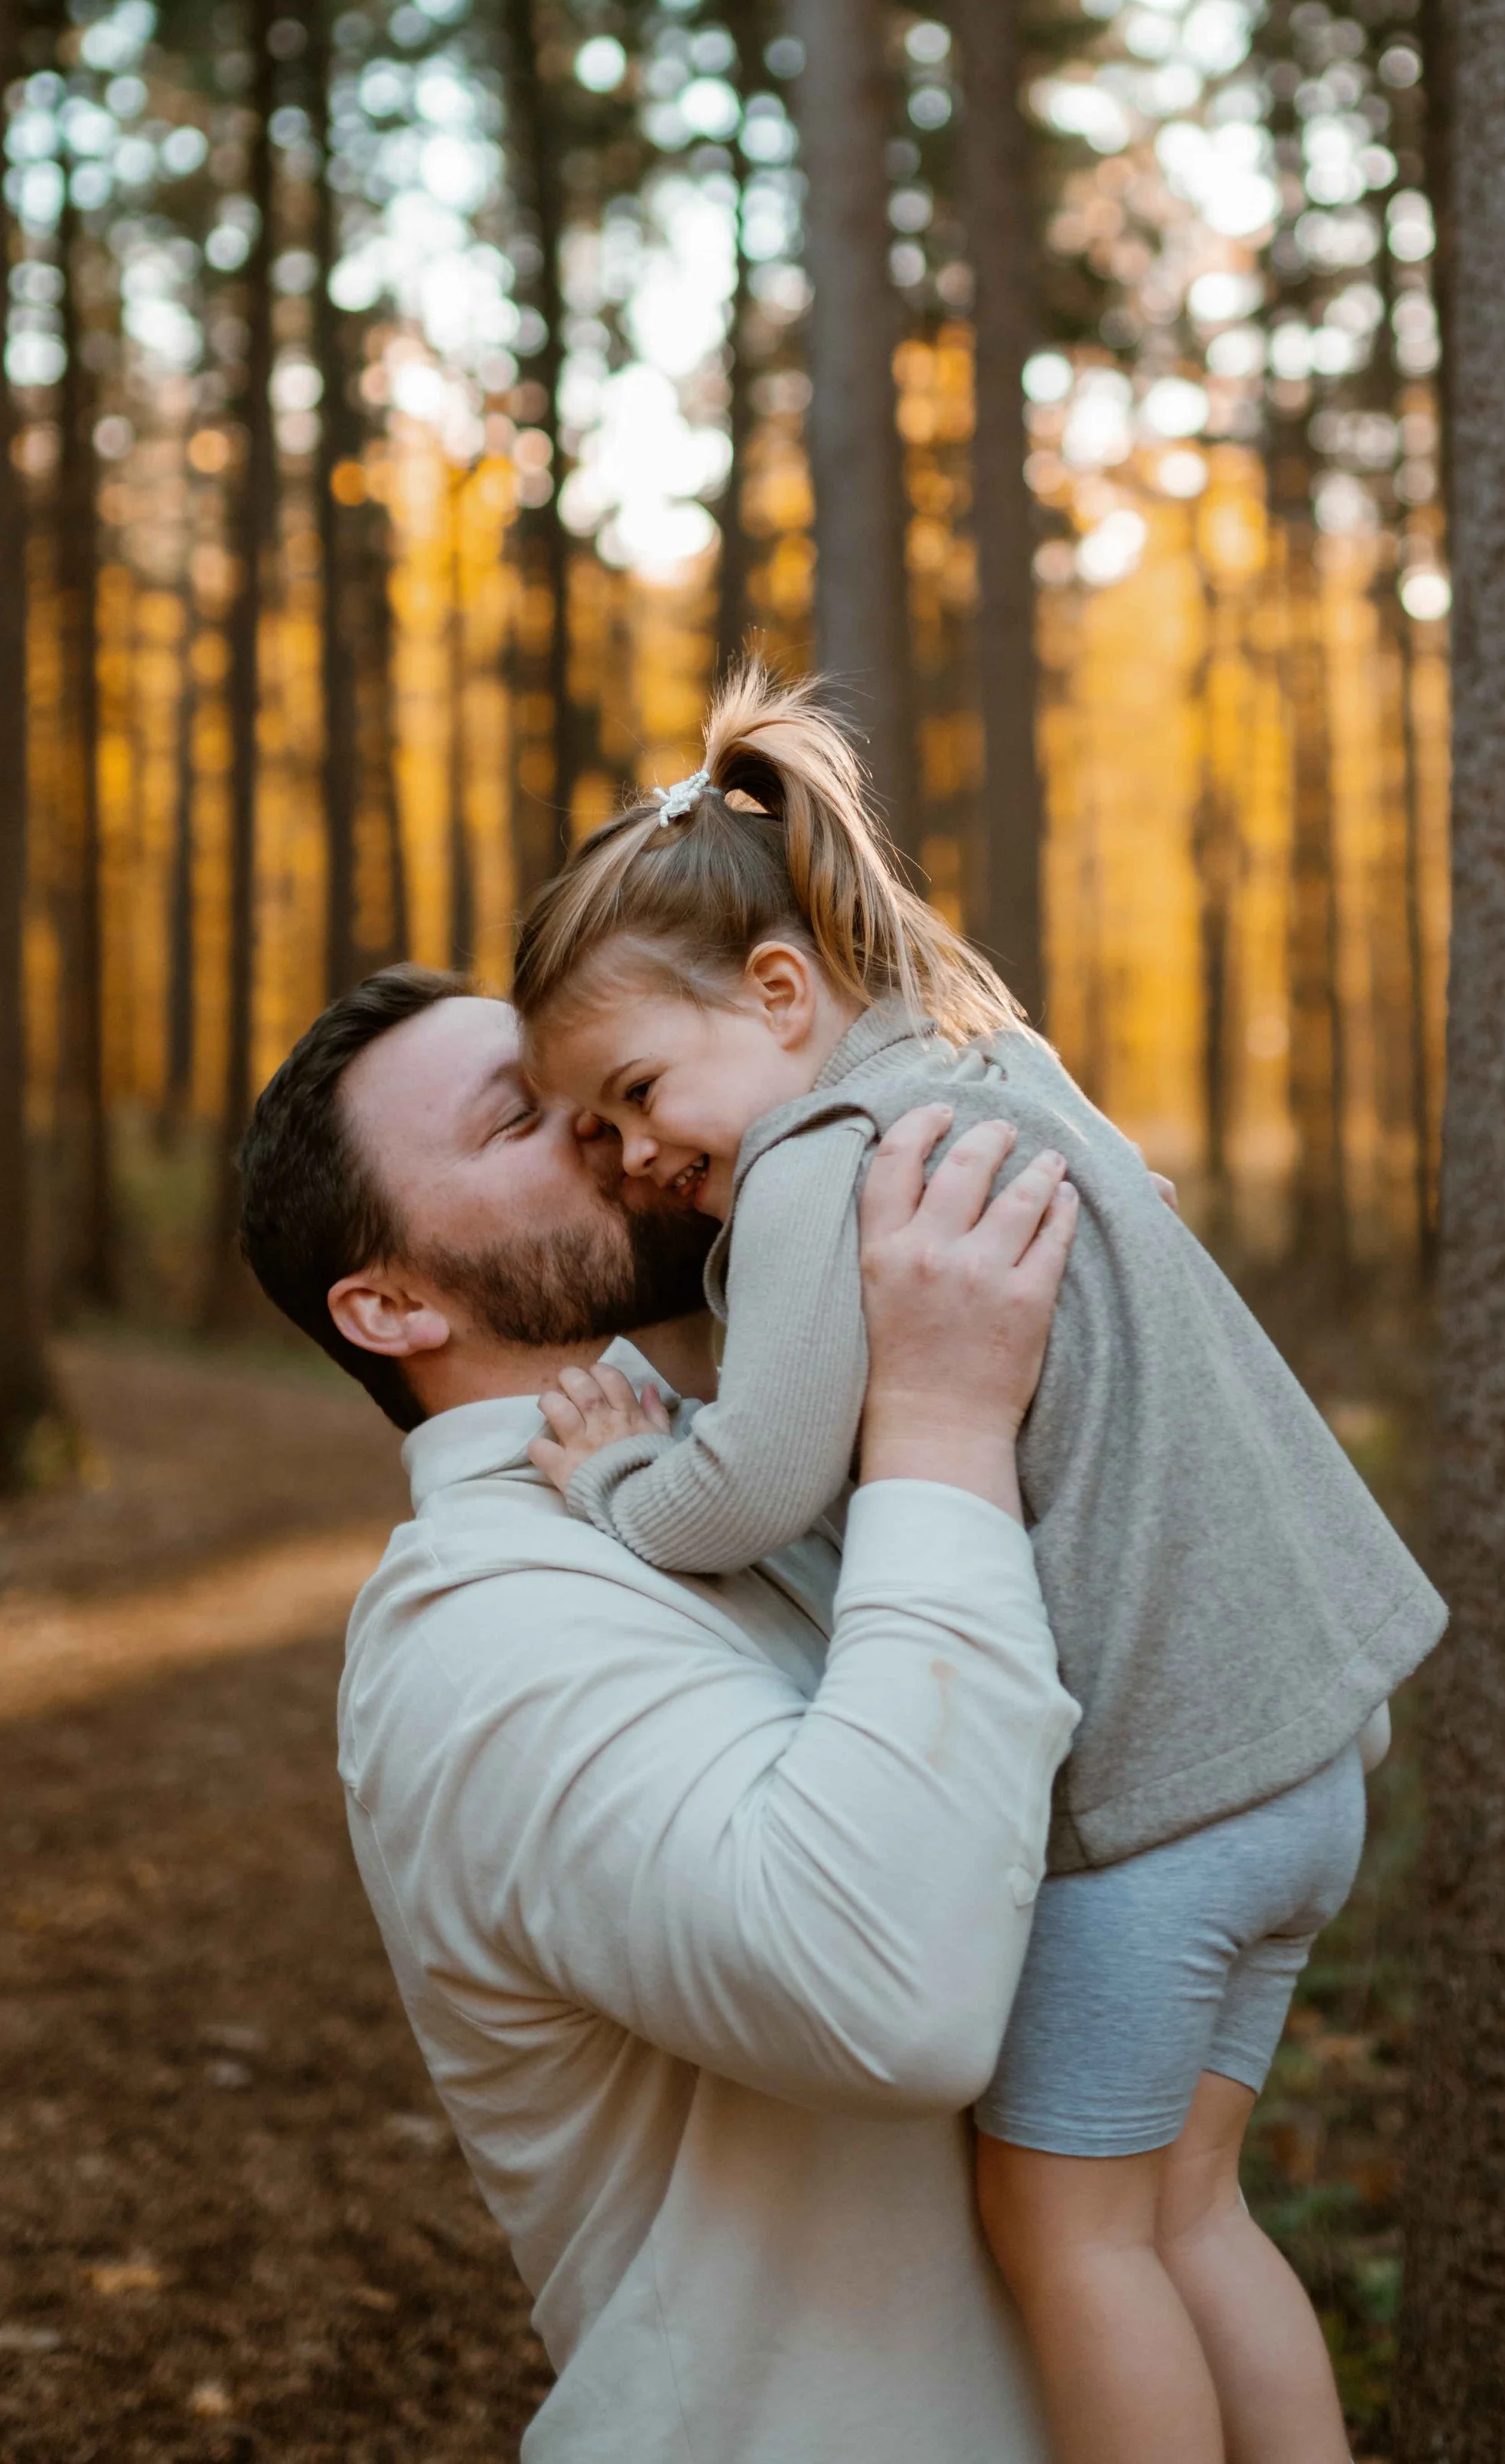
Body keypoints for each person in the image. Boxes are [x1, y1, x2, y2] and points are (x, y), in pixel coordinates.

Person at [510, 664, 1448, 2464]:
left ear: (779, 992)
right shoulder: (989, 1055)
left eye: (634, 1093)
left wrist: (618, 1483)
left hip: (1150, 1814)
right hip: (1302, 1763)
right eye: (595, 1140)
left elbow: (757, 1481)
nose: (634, 1160)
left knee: (1068, 2232)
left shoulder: (818, 1160)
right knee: (1187, 2216)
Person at [235, 965, 1084, 2464]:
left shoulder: (733, 1474)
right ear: (390, 1303)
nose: (603, 1118)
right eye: (522, 1118)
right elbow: (884, 1996)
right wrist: (946, 1429)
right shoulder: (476, 1626)